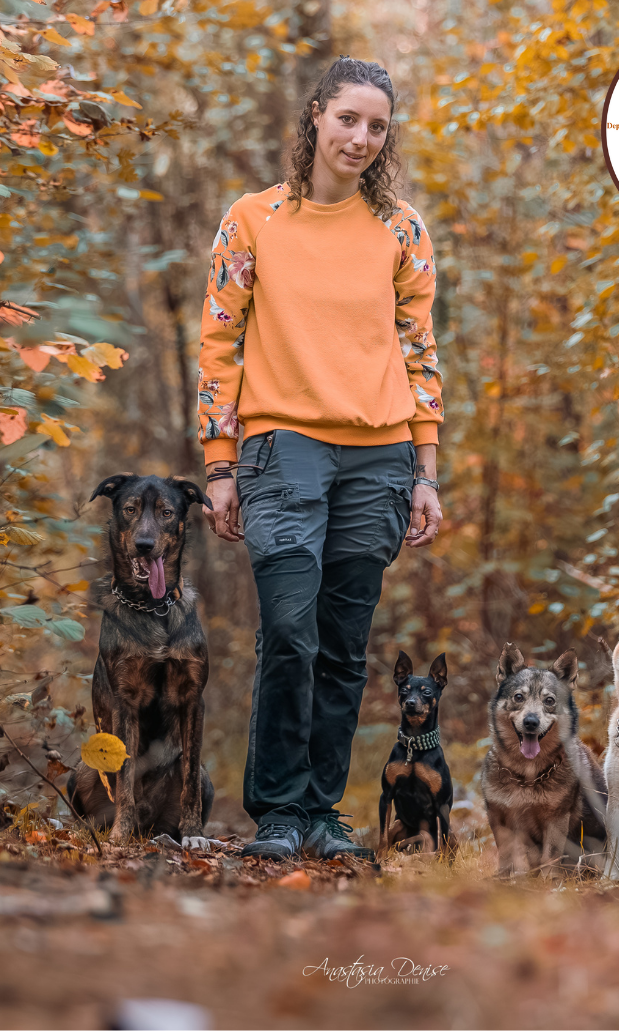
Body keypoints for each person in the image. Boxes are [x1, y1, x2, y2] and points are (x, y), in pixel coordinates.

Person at [196, 56, 443, 861]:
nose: (361, 138)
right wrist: (220, 464)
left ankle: (323, 811)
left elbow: (420, 353)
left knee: (342, 642)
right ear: (315, 117)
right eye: (347, 119)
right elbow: (220, 345)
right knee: (289, 630)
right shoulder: (253, 220)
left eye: (377, 126)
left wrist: (426, 472)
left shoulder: (402, 230)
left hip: (381, 459)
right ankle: (277, 809)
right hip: (280, 449)